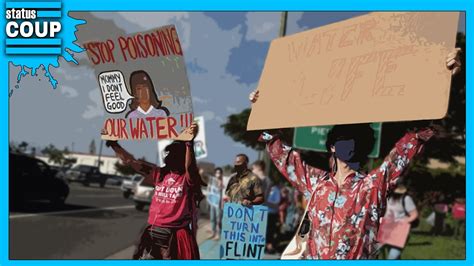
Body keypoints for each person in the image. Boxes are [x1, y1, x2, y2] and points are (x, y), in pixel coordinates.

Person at [247, 49, 461, 259]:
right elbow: (281, 154)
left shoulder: (373, 185)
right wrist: (262, 109)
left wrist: (444, 83)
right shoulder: (315, 182)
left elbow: (413, 141)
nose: (350, 144)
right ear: (332, 146)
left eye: (356, 140)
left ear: (364, 147)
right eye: (344, 139)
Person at [106, 123, 201, 260]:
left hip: (173, 236)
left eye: (174, 153)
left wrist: (189, 143)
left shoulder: (187, 178)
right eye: (169, 152)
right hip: (153, 231)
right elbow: (130, 161)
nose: (169, 156)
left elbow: (190, 167)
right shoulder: (158, 173)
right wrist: (114, 144)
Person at [382, 184, 418, 259]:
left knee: (392, 257)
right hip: (387, 230)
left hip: (400, 231)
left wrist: (403, 222)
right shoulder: (390, 198)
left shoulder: (406, 199)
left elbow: (414, 214)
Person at [207, 167, 224, 240]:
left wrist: (221, 185)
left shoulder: (223, 181)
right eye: (217, 173)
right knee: (212, 218)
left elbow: (224, 192)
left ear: (221, 174)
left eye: (219, 173)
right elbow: (209, 188)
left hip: (219, 204)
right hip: (212, 203)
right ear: (215, 174)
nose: (218, 174)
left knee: (219, 219)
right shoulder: (212, 181)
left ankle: (219, 234)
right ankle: (213, 232)